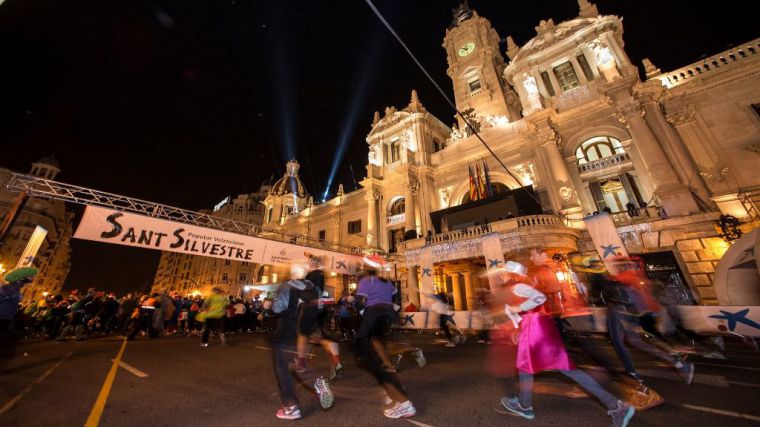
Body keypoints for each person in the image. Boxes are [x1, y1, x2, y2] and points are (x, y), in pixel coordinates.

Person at [496, 262, 635, 426]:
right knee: (547, 368)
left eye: (504, 272)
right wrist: (516, 327)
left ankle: (524, 405)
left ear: (512, 274)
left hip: (534, 329)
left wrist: (518, 308)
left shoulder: (518, 286)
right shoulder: (517, 288)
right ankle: (524, 404)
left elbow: (540, 297)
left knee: (537, 366)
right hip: (534, 329)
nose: (501, 275)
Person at [268, 262, 333, 420]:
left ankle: (291, 407)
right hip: (304, 332)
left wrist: (268, 304)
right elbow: (319, 309)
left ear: (292, 273)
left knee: (283, 368)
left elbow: (277, 309)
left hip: (286, 331)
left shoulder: (287, 286)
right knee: (299, 362)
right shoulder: (314, 288)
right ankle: (317, 382)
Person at [355, 255, 417, 419]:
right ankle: (390, 365)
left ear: (366, 268)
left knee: (363, 353)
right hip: (387, 314)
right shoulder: (386, 282)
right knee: (376, 340)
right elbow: (396, 296)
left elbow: (359, 301)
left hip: (373, 313)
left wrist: (363, 313)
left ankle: (402, 400)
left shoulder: (366, 281)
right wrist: (391, 309)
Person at [0, 267, 38, 362]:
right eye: (31, 276)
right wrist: (22, 281)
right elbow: (7, 292)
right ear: (21, 277)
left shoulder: (17, 290)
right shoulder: (7, 287)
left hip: (7, 318)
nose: (33, 278)